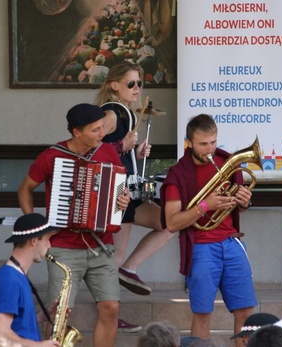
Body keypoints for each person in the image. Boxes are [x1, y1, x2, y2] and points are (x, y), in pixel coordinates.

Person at [17, 103, 131, 347]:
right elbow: (25, 189)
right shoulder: (53, 156)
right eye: (95, 130)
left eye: (103, 128)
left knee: (111, 306)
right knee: (59, 314)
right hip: (64, 247)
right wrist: (37, 228)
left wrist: (123, 199)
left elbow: (120, 188)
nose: (102, 134)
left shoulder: (107, 151)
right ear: (76, 132)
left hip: (100, 244)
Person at [160, 114, 257, 347]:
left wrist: (244, 201)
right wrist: (204, 206)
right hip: (201, 247)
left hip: (232, 243)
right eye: (203, 144)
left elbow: (237, 207)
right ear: (189, 143)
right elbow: (172, 223)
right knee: (202, 314)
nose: (210, 149)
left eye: (213, 142)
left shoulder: (229, 162)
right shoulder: (178, 174)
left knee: (246, 311)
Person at [96, 60, 175, 299]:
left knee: (170, 222)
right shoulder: (112, 112)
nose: (137, 88)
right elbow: (90, 147)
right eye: (130, 83)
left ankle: (129, 269)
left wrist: (134, 152)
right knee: (115, 255)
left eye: (139, 83)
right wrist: (122, 145)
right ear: (114, 86)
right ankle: (109, 309)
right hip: (118, 191)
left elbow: (114, 150)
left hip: (128, 189)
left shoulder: (125, 113)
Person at [0, 213, 61, 346]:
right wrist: (37, 346)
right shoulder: (10, 281)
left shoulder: (16, 276)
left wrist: (43, 316)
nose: (49, 245)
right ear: (34, 240)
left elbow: (17, 325)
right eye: (47, 239)